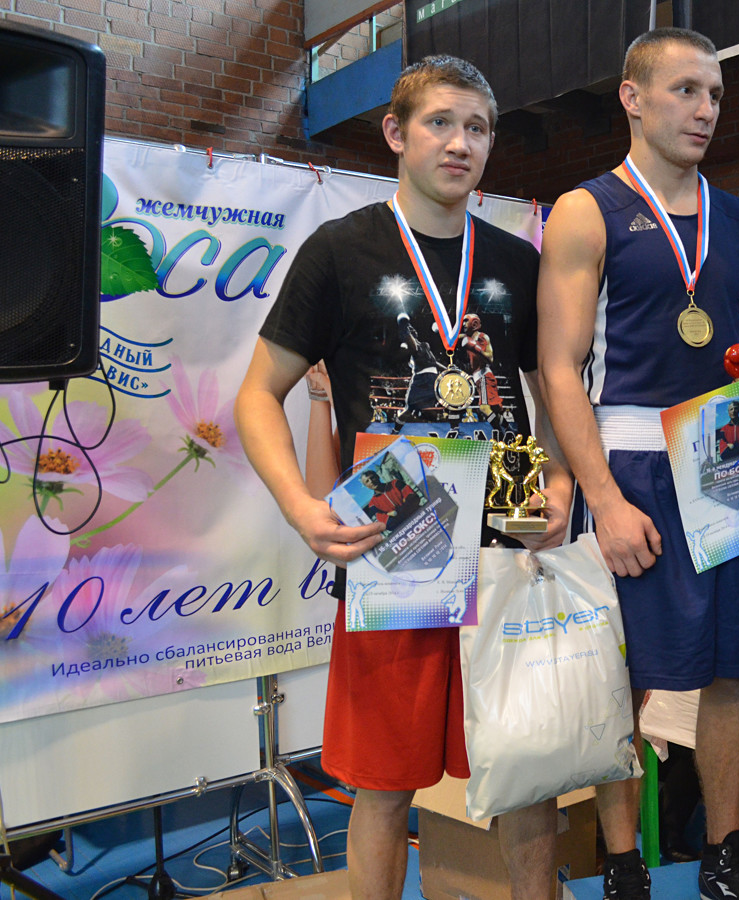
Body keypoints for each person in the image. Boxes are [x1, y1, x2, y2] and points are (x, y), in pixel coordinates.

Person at [235, 55, 572, 900]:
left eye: (477, 128)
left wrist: (563, 480)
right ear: (396, 132)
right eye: (440, 123)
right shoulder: (338, 252)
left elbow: (554, 389)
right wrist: (300, 507)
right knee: (384, 787)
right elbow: (256, 395)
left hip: (508, 547)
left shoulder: (517, 261)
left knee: (528, 776)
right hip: (397, 548)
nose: (460, 143)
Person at [536, 27, 739, 900]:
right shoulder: (585, 209)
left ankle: (724, 854)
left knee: (730, 672)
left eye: (714, 94)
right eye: (685, 90)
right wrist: (602, 498)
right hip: (629, 467)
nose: (705, 109)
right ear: (633, 99)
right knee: (619, 679)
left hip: (721, 467)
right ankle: (621, 861)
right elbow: (558, 367)